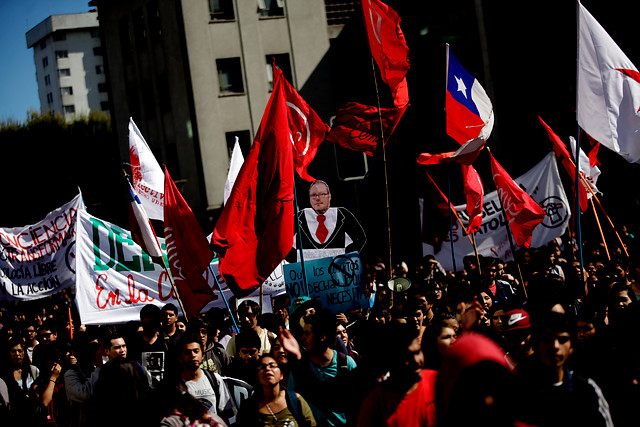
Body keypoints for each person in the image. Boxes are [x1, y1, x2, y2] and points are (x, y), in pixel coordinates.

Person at [516, 311, 614, 427]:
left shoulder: (586, 390)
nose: (555, 346)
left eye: (562, 340)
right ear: (537, 345)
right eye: (548, 339)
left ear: (571, 347)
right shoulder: (520, 390)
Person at [280, 309, 357, 426]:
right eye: (302, 333)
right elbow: (292, 402)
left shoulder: (346, 364)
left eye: (307, 333)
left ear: (322, 336)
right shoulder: (299, 368)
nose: (302, 338)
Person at [357, 323, 438, 427]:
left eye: (417, 352)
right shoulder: (375, 405)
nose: (416, 360)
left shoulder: (437, 381)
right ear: (392, 360)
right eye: (407, 356)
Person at [288, 180, 366, 261]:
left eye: (322, 194)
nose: (317, 198)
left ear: (329, 196)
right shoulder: (299, 217)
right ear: (309, 198)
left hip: (338, 270)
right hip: (309, 270)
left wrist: (344, 258)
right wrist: (296, 261)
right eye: (313, 195)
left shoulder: (343, 215)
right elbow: (283, 243)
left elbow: (360, 239)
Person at [237, 354, 316, 427]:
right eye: (262, 367)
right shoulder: (249, 407)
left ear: (281, 375)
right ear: (257, 377)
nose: (267, 369)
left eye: (272, 366)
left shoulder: (295, 400)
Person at [175, 334, 237, 424]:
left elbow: (228, 413)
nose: (193, 355)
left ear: (202, 355)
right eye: (187, 352)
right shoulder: (175, 385)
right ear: (180, 358)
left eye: (196, 351)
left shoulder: (215, 379)